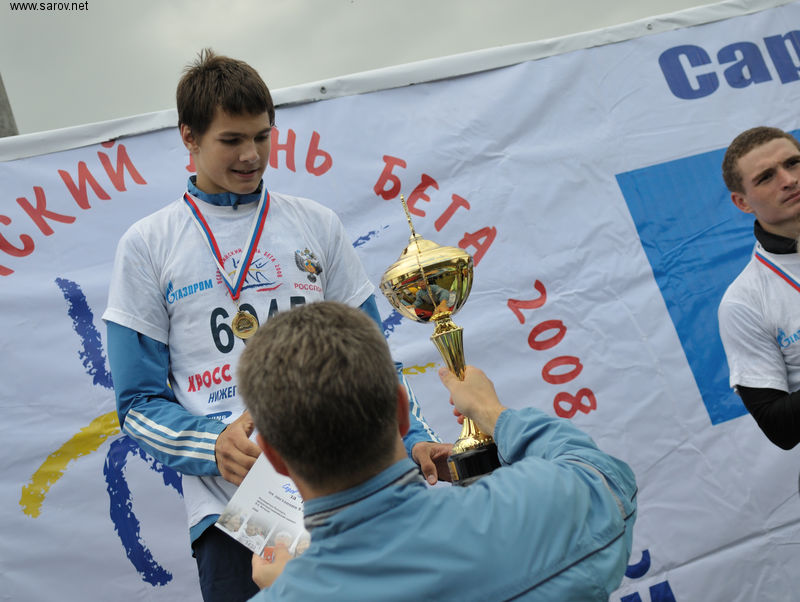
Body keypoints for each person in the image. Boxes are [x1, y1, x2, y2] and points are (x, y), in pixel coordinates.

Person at [101, 49, 450, 602]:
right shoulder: (147, 245)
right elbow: (138, 404)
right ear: (189, 137)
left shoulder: (315, 224)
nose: (251, 155)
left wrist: (415, 440)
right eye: (231, 140)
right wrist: (212, 444)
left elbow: (373, 360)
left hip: (351, 485)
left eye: (262, 137)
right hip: (236, 509)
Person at [237, 301, 638, 601]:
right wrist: (490, 412)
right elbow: (604, 476)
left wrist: (293, 588)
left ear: (273, 456)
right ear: (402, 412)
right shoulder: (534, 515)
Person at [718, 126, 800, 450]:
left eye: (793, 163)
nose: (788, 179)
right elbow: (780, 428)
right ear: (742, 202)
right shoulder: (743, 301)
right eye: (766, 177)